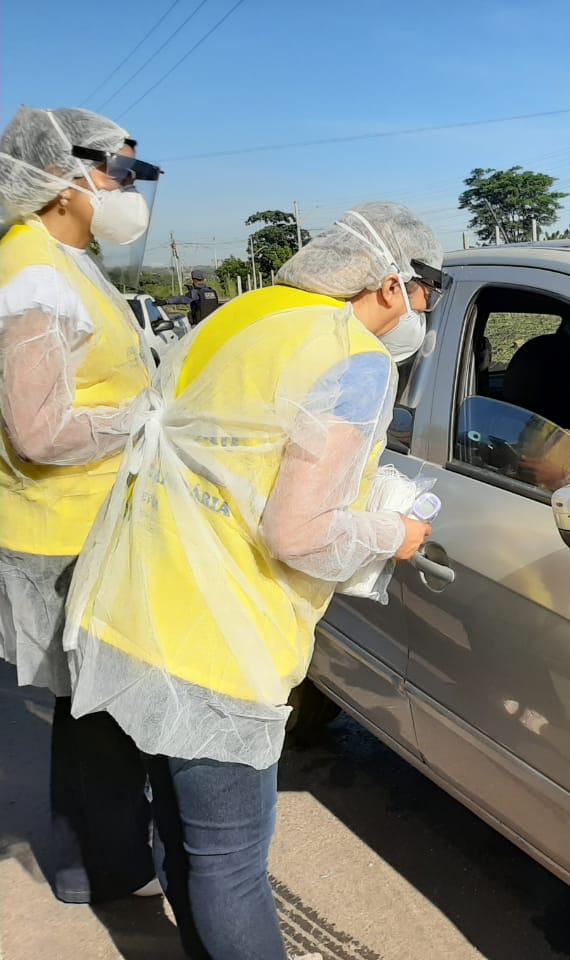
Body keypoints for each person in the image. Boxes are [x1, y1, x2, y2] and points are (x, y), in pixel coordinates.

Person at [62, 202, 442, 959]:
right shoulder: (355, 359)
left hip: (132, 601)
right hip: (219, 640)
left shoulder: (244, 313)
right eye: (430, 285)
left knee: (177, 822)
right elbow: (299, 532)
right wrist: (392, 533)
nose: (429, 305)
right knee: (233, 865)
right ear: (392, 284)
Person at [0, 106, 162, 904]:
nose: (132, 191)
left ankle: (88, 852)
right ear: (63, 177)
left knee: (83, 701)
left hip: (88, 518)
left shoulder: (65, 260)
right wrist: (145, 419)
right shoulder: (32, 270)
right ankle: (104, 864)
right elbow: (38, 428)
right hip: (62, 525)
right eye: (121, 172)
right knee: (95, 704)